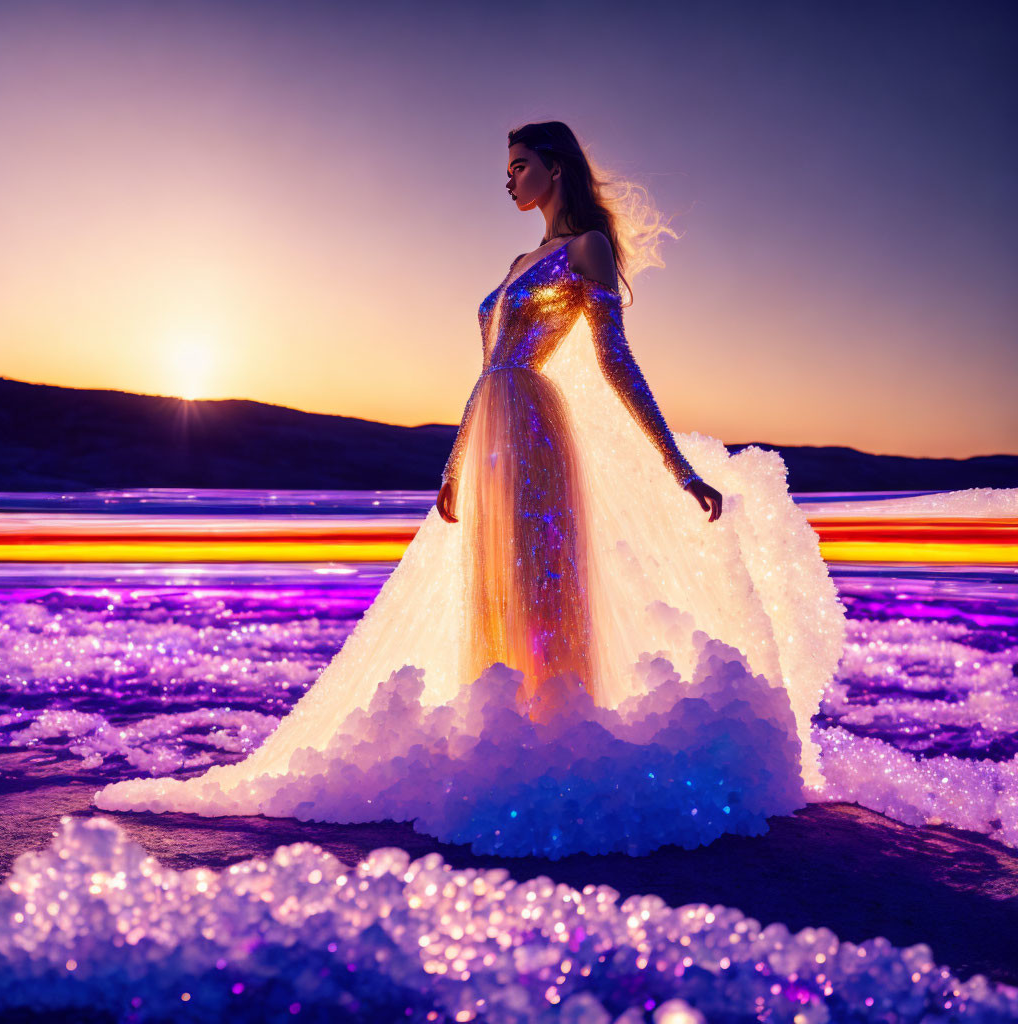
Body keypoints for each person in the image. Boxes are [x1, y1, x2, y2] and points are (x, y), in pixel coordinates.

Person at [94, 122, 847, 858]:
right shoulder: (521, 257)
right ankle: (505, 745)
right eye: (508, 165)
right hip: (491, 432)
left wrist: (677, 466)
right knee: (492, 586)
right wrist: (455, 460)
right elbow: (486, 370)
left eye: (520, 164)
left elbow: (617, 363)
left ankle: (554, 747)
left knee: (539, 584)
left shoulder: (586, 248)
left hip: (532, 431)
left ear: (555, 167)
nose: (508, 177)